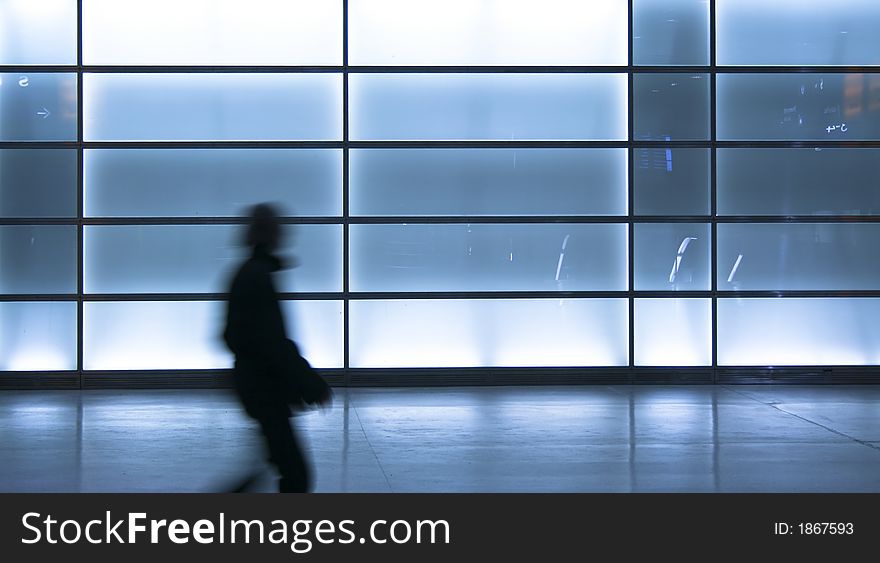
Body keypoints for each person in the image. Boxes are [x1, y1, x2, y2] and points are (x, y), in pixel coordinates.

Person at [223, 203, 327, 493]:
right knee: (295, 474)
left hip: (258, 388)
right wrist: (308, 381)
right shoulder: (258, 277)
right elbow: (272, 342)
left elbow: (235, 336)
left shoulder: (249, 273)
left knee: (282, 467)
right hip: (266, 389)